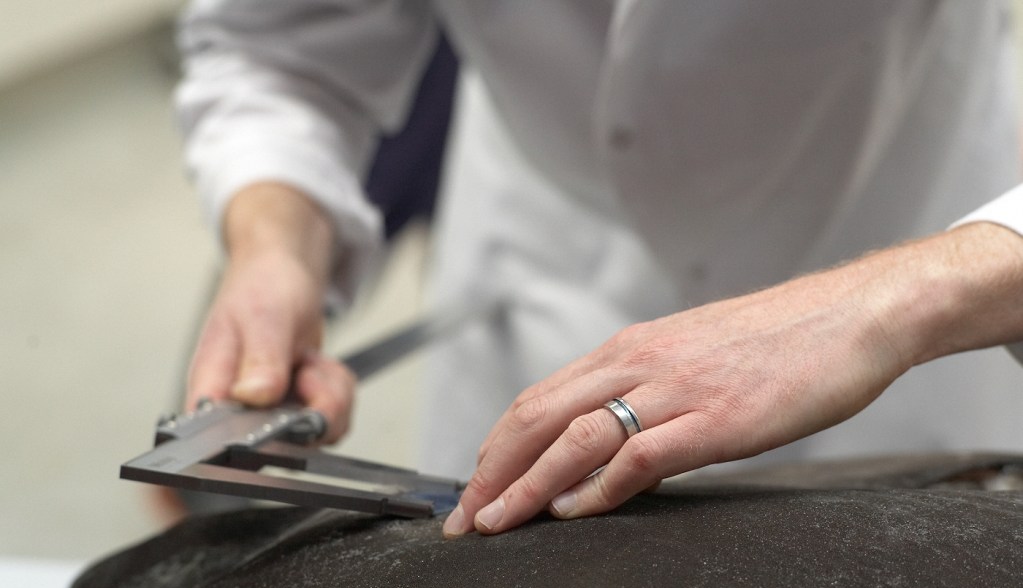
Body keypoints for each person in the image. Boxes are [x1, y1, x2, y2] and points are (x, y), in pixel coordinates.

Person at [176, 1, 1023, 539]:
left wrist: (880, 307)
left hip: (920, 247)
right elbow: (280, 46)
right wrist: (273, 239)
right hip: (545, 249)